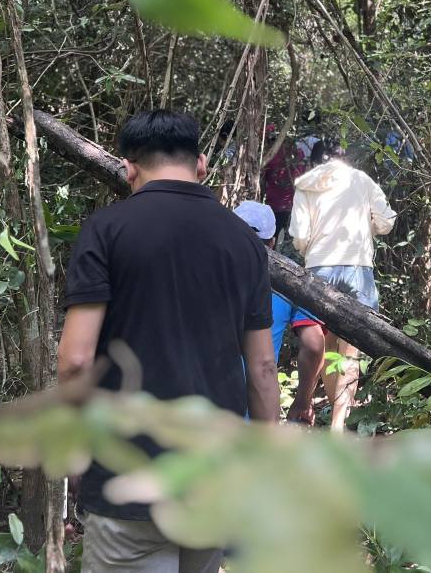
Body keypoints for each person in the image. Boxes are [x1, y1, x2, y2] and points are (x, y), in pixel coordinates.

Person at [57, 110, 280, 573]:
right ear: (201, 165)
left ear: (129, 168)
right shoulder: (244, 243)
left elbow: (77, 360)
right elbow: (261, 369)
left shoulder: (106, 230)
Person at [289, 140, 396, 431]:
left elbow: (299, 235)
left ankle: (308, 409)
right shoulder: (361, 180)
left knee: (324, 345)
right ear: (344, 159)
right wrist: (368, 227)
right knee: (351, 351)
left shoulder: (305, 184)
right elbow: (386, 221)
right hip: (358, 268)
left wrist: (312, 249)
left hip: (319, 268)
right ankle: (337, 426)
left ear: (315, 163)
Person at [232, 200, 326, 425]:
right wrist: (302, 401)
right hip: (257, 412)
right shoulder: (290, 284)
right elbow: (314, 344)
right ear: (272, 242)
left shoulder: (203, 270)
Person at [262, 128, 306, 241]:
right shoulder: (297, 152)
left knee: (271, 238)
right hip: (292, 204)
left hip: (275, 205)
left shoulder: (270, 156)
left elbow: (264, 179)